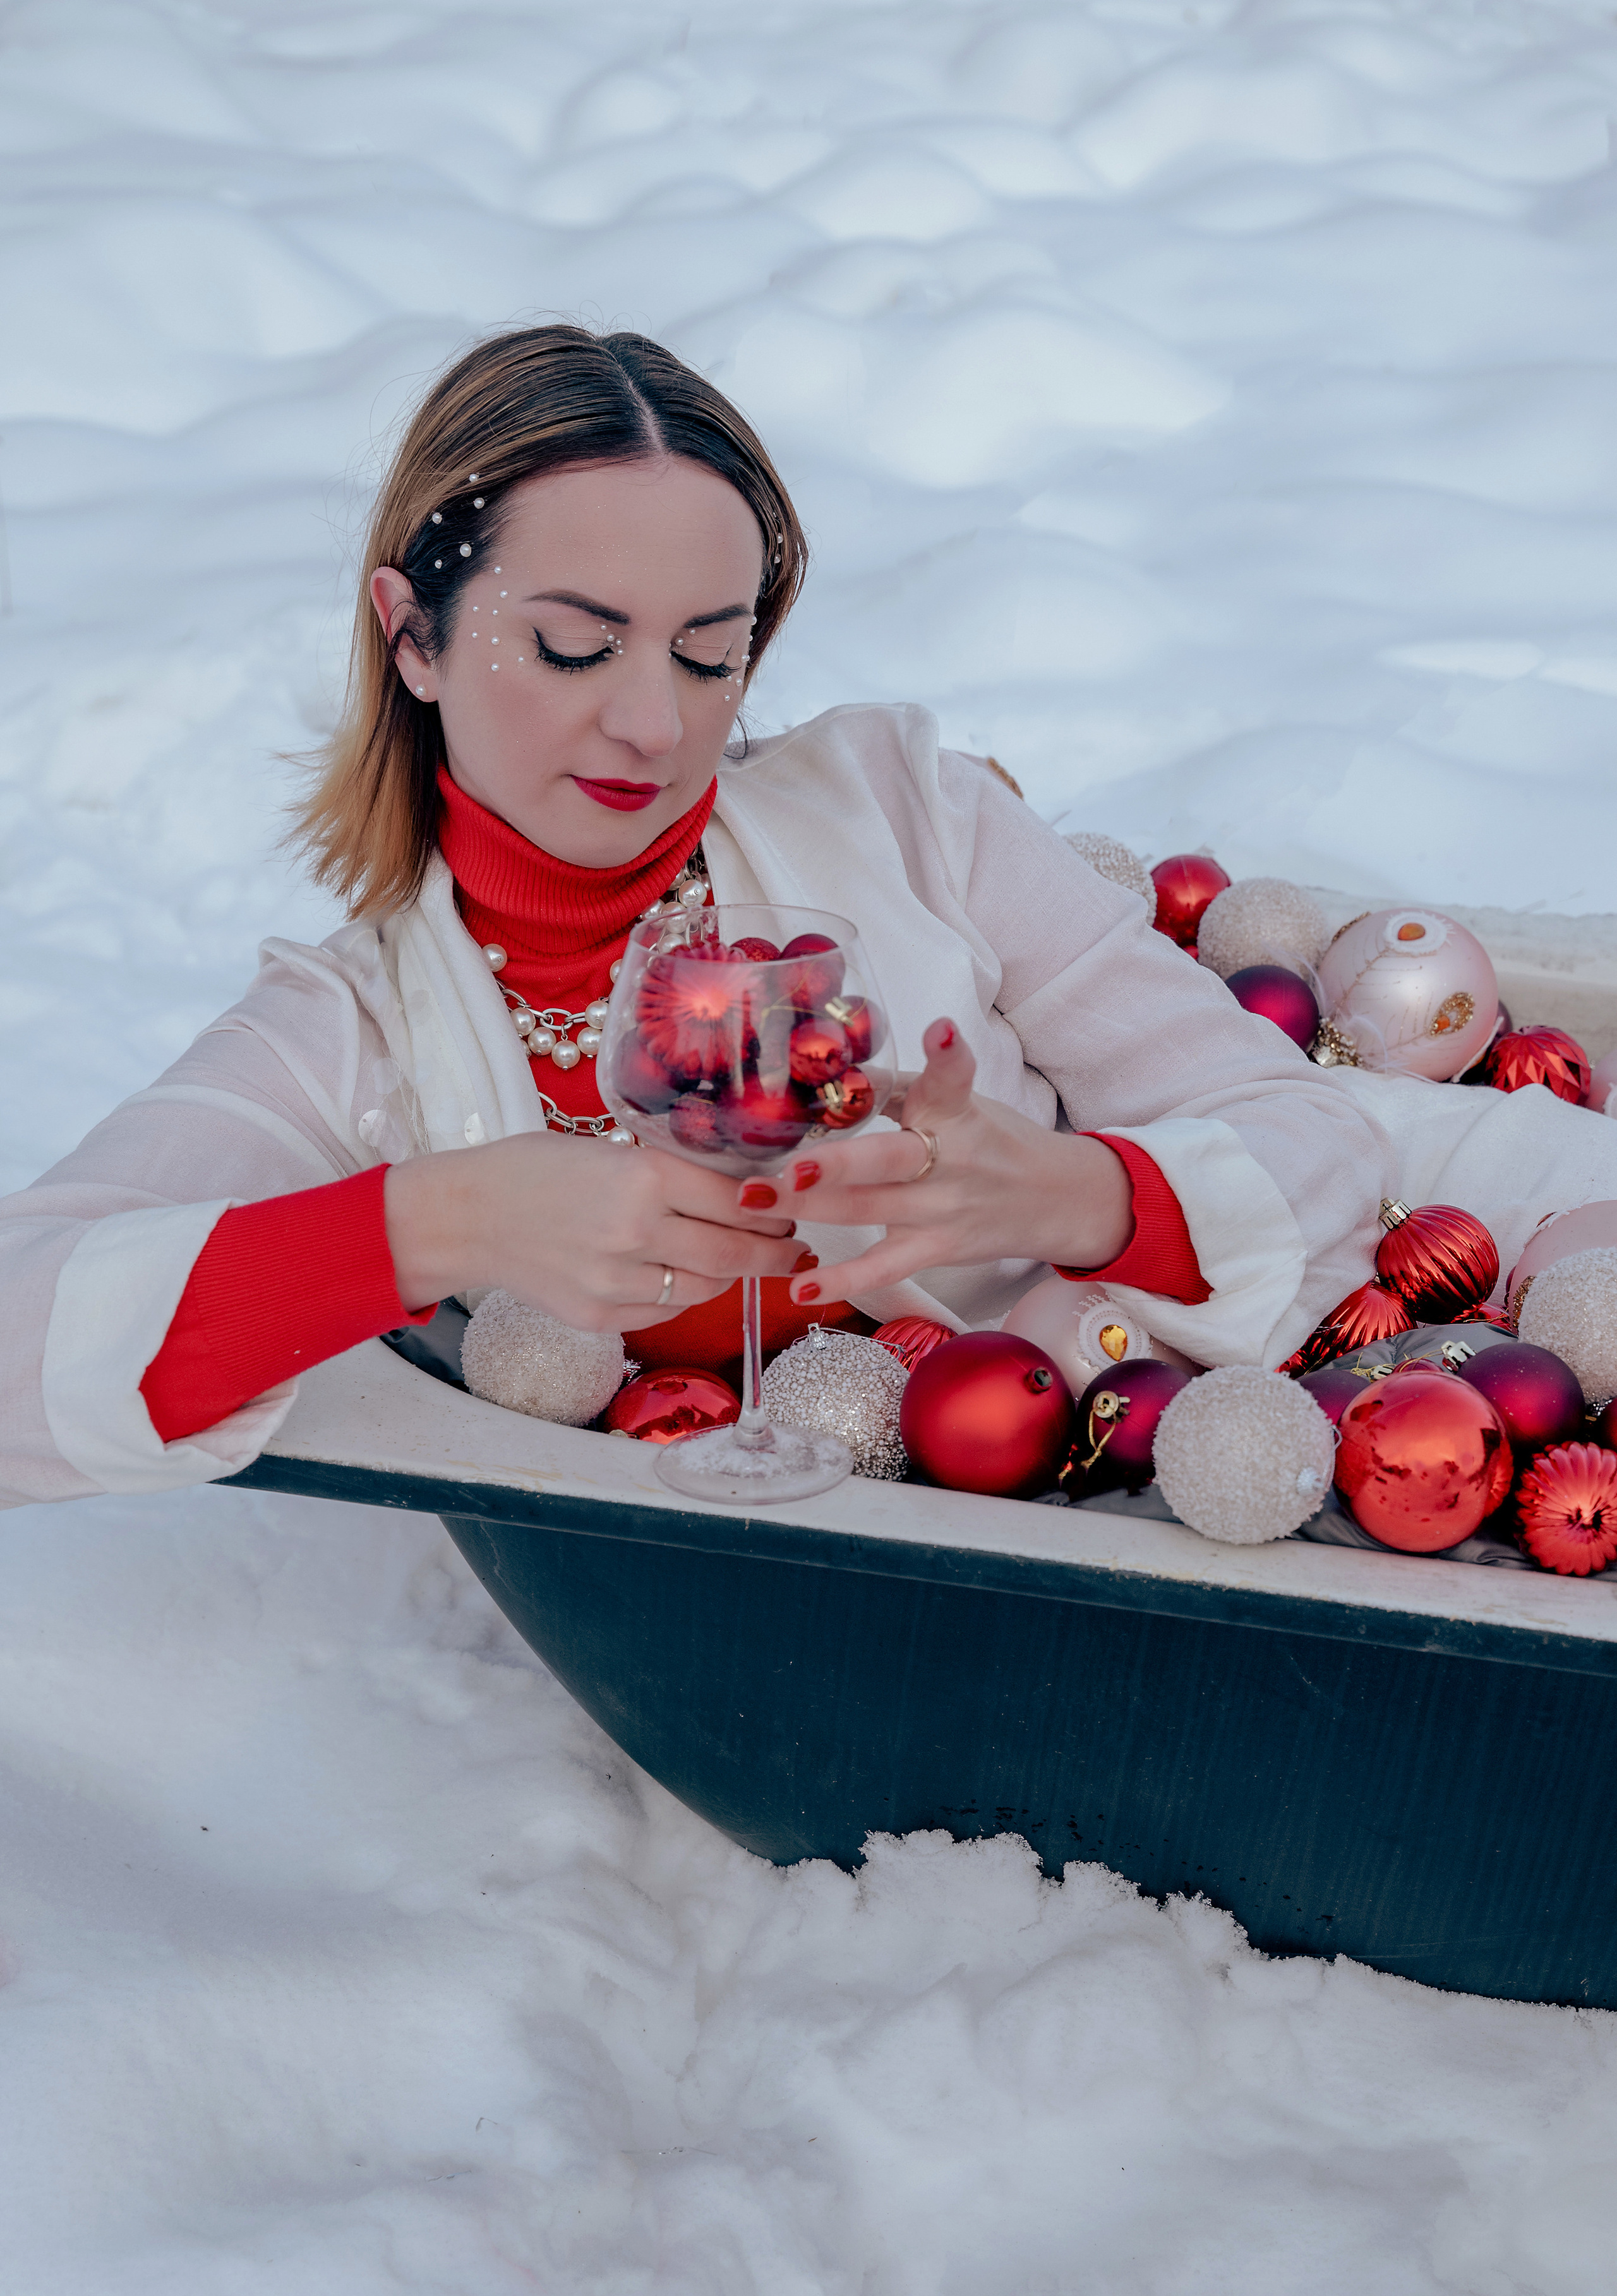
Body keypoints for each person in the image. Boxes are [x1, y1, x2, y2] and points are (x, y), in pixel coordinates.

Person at [1, 325, 1403, 1512]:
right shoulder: (347, 1038)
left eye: (709, 651)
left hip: (1119, 1503)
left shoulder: (908, 817)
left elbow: (1319, 1145)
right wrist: (427, 1225)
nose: (653, 723)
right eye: (572, 645)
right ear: (412, 636)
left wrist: (1073, 1194)